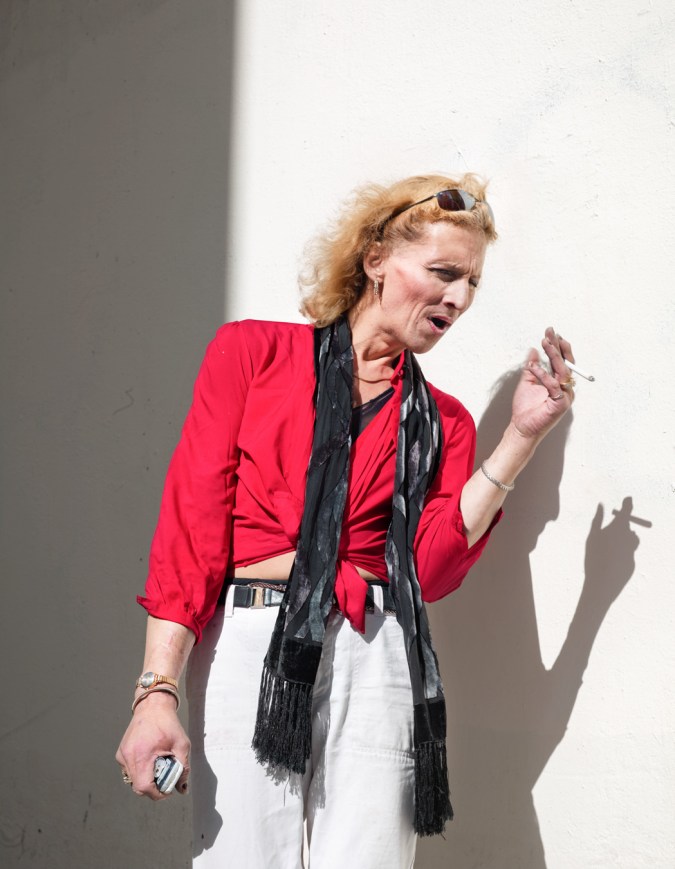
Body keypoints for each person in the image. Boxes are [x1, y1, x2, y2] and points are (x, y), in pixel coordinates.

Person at [116, 173, 575, 869]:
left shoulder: (442, 422)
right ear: (375, 260)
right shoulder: (252, 355)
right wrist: (156, 692)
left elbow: (429, 568)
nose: (457, 297)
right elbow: (191, 531)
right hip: (253, 643)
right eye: (443, 272)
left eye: (471, 283)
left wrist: (519, 439)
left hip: (377, 646)